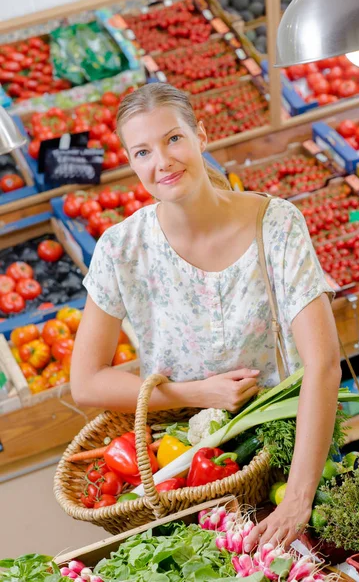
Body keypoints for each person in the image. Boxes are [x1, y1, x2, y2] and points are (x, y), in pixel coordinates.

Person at [71, 82, 341, 549]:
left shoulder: (275, 224)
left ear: (201, 135)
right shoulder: (120, 250)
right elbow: (87, 381)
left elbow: (323, 365)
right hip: (189, 475)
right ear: (131, 163)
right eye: (142, 152)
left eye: (173, 139)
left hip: (291, 454)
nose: (162, 162)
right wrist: (195, 392)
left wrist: (298, 497)